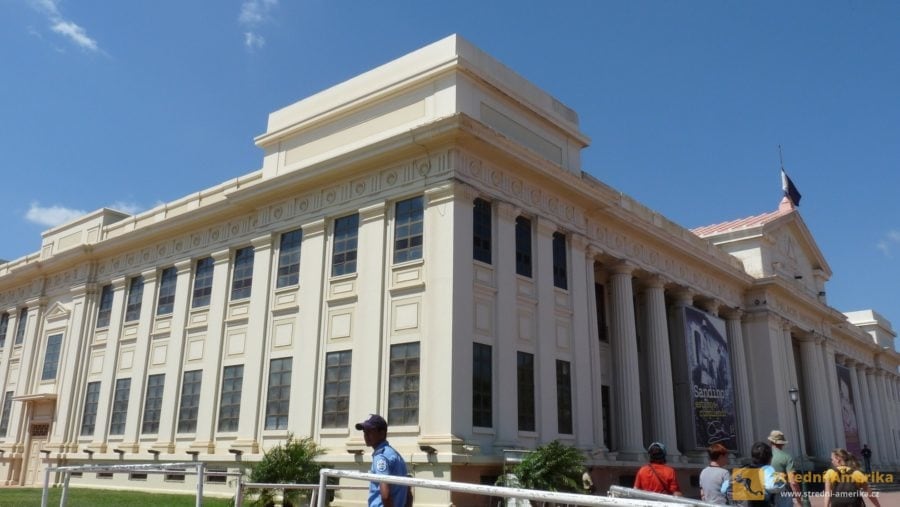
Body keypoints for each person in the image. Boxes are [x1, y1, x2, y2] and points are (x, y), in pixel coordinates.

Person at [356, 414, 408, 507]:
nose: (366, 435)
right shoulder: (395, 455)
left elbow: (385, 496)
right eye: (364, 431)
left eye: (370, 431)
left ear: (382, 433)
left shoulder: (381, 457)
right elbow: (408, 494)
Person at [733, 441, 786, 507]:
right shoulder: (767, 469)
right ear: (770, 458)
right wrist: (781, 478)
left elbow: (725, 488)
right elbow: (773, 486)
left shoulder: (742, 470)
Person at [767, 430, 802, 507]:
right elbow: (793, 482)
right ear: (782, 443)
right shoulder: (787, 458)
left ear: (770, 442)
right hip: (782, 494)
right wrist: (799, 502)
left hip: (766, 495)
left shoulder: (764, 457)